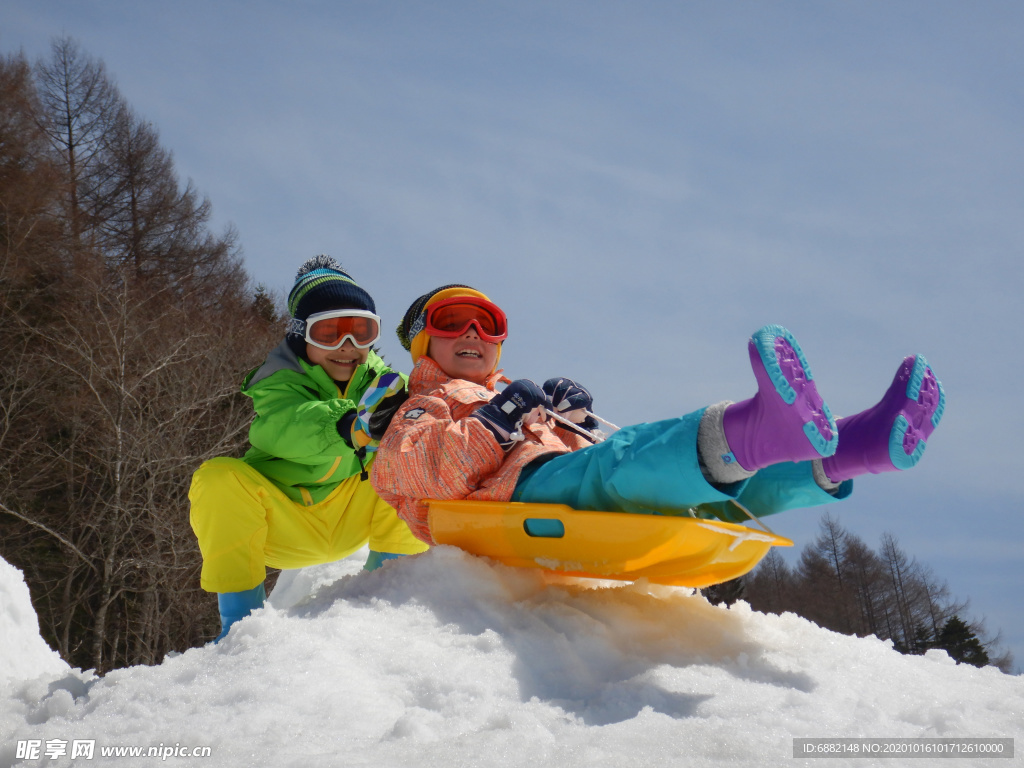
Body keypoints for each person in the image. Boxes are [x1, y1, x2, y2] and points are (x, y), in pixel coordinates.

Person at [370, 284, 945, 546]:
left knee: (718, 491)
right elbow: (414, 476)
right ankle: (756, 429)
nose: (473, 333)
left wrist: (575, 424)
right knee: (624, 464)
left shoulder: (516, 399)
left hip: (549, 489)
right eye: (452, 322)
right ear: (423, 345)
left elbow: (576, 465)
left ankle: (854, 447)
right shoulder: (422, 405)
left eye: (488, 325)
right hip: (505, 505)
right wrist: (495, 422)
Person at [189, 256, 428, 642]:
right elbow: (287, 426)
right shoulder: (278, 383)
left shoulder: (386, 385)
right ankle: (239, 626)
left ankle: (390, 587)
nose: (347, 346)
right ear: (303, 335)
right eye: (329, 332)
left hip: (353, 513)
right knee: (217, 478)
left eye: (361, 331)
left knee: (410, 447)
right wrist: (350, 426)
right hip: (284, 521)